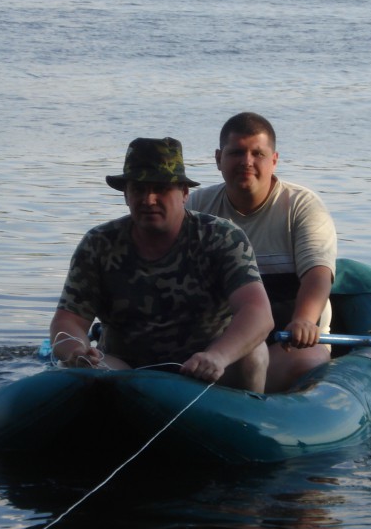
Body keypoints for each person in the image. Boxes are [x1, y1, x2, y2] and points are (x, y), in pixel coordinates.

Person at [49, 137, 274, 393]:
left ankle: (246, 415)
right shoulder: (98, 243)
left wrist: (218, 356)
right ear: (126, 195)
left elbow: (258, 313)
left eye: (161, 189)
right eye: (139, 189)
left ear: (184, 193)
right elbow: (67, 321)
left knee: (254, 354)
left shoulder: (222, 238)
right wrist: (76, 350)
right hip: (126, 369)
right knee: (85, 370)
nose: (149, 200)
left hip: (206, 368)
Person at [187, 112, 337, 393]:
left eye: (258, 153)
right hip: (219, 345)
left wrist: (304, 320)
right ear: (218, 159)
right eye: (236, 153)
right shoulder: (197, 206)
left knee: (311, 359)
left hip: (285, 344)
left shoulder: (302, 206)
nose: (247, 162)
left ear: (274, 160)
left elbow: (318, 273)